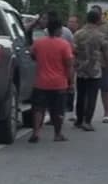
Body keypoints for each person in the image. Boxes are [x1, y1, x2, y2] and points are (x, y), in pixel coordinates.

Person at [28, 12, 74, 143]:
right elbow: (69, 65)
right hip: (59, 83)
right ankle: (57, 134)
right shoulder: (64, 44)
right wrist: (71, 83)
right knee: (58, 110)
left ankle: (36, 132)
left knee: (38, 109)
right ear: (59, 29)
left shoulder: (39, 43)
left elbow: (31, 54)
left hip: (41, 82)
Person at [73, 10, 108, 131]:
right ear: (98, 20)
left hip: (81, 69)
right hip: (94, 70)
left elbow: (72, 50)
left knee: (81, 95)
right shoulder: (100, 35)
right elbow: (106, 51)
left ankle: (79, 120)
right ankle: (87, 121)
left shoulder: (78, 34)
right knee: (92, 96)